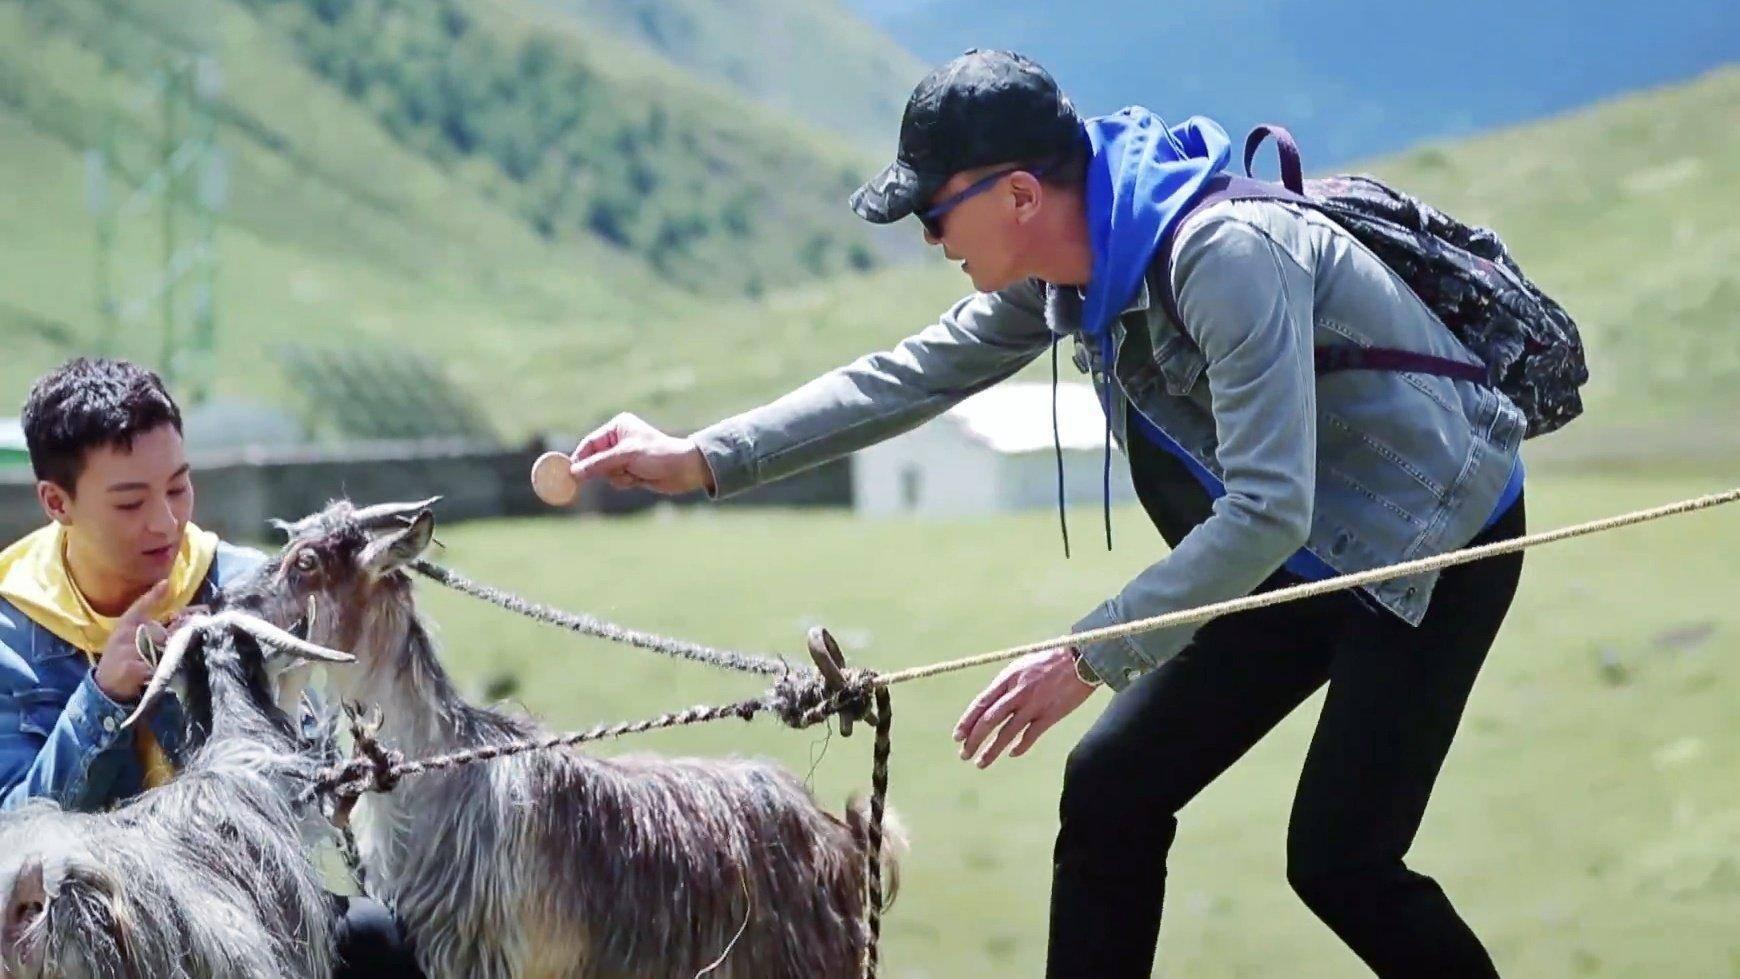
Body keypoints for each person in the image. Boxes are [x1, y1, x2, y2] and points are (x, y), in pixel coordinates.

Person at [567, 49, 1527, 978]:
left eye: (936, 214)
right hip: (1288, 547)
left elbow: (1271, 507)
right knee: (1111, 787)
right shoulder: (1071, 271)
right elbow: (907, 375)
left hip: (1432, 543)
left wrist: (1088, 656)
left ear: (1021, 196)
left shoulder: (1225, 260)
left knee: (1340, 862)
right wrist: (701, 457)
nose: (932, 241)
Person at [0, 357, 423, 978]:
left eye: (178, 487)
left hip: (246, 904)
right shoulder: (11, 634)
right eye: (129, 502)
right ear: (56, 501)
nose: (167, 523)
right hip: (94, 934)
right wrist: (103, 699)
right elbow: (11, 838)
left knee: (381, 941)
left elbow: (305, 780)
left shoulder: (247, 586)